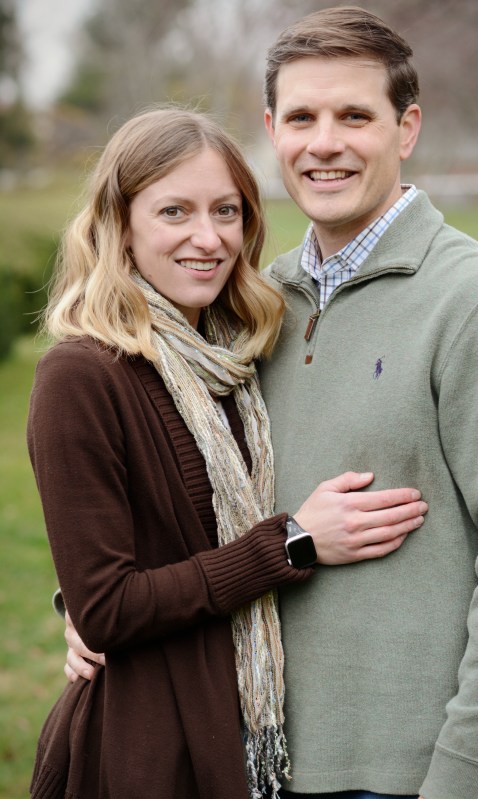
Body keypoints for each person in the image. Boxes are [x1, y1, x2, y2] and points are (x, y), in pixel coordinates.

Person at [63, 6, 478, 798]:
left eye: (354, 116)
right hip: (266, 755)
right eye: (302, 117)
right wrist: (92, 604)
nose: (324, 143)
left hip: (416, 769)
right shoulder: (254, 306)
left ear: (406, 128)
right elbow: (186, 501)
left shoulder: (476, 303)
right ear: (271, 129)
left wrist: (467, 774)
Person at [27, 105, 429, 799]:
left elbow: (159, 543)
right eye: (174, 212)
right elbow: (108, 608)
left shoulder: (239, 357)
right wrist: (293, 543)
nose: (208, 238)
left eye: (226, 212)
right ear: (120, 224)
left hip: (250, 729)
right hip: (149, 745)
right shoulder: (82, 375)